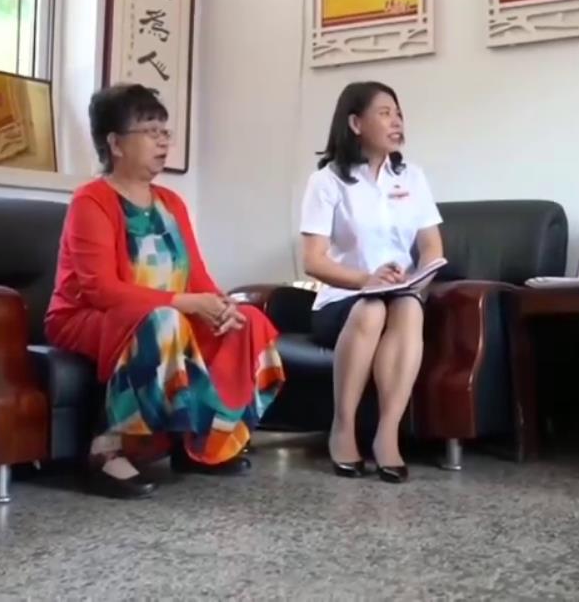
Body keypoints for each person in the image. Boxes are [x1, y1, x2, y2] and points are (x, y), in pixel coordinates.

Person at [46, 85, 284, 498]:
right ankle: (107, 450)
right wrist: (184, 304)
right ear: (115, 144)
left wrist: (222, 305)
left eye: (164, 131)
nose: (162, 141)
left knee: (248, 322)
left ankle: (201, 446)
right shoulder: (91, 201)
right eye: (150, 131)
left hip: (167, 313)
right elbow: (101, 290)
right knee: (164, 321)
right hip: (88, 318)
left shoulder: (171, 202)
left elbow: (197, 277)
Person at [299, 81, 444, 483]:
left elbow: (431, 245)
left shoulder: (412, 177)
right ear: (355, 123)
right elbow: (314, 260)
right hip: (342, 298)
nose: (396, 121)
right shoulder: (327, 181)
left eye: (399, 114)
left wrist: (417, 281)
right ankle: (343, 427)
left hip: (400, 293)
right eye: (384, 113)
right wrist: (367, 280)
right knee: (371, 308)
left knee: (408, 308)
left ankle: (387, 434)